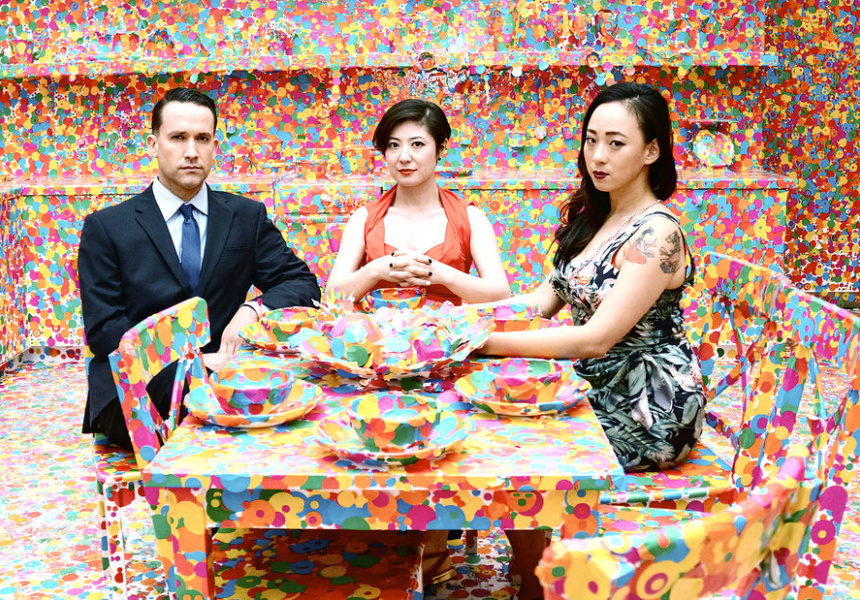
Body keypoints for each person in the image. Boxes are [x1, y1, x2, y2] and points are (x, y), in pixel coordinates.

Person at [478, 82, 705, 599]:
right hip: (592, 384)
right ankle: (530, 567)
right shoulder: (595, 214)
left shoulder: (657, 233)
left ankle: (538, 581)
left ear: (652, 151)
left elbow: (594, 340)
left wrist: (484, 343)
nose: (598, 156)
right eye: (591, 139)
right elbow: (541, 301)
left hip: (648, 403)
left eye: (616, 143)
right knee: (492, 417)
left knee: (515, 444)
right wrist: (454, 323)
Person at [78, 87, 321, 450]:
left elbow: (302, 283)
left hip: (224, 371)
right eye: (178, 137)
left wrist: (252, 309)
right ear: (153, 144)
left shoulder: (245, 217)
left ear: (214, 146)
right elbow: (105, 330)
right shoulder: (108, 227)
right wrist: (191, 364)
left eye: (202, 139)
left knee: (301, 385)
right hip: (138, 386)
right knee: (248, 402)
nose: (191, 151)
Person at [325, 98, 510, 305]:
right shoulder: (364, 218)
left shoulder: (470, 218)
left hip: (449, 325)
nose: (404, 157)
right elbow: (332, 299)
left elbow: (502, 296)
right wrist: (375, 270)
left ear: (441, 147)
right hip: (379, 325)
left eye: (417, 144)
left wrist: (442, 274)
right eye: (394, 145)